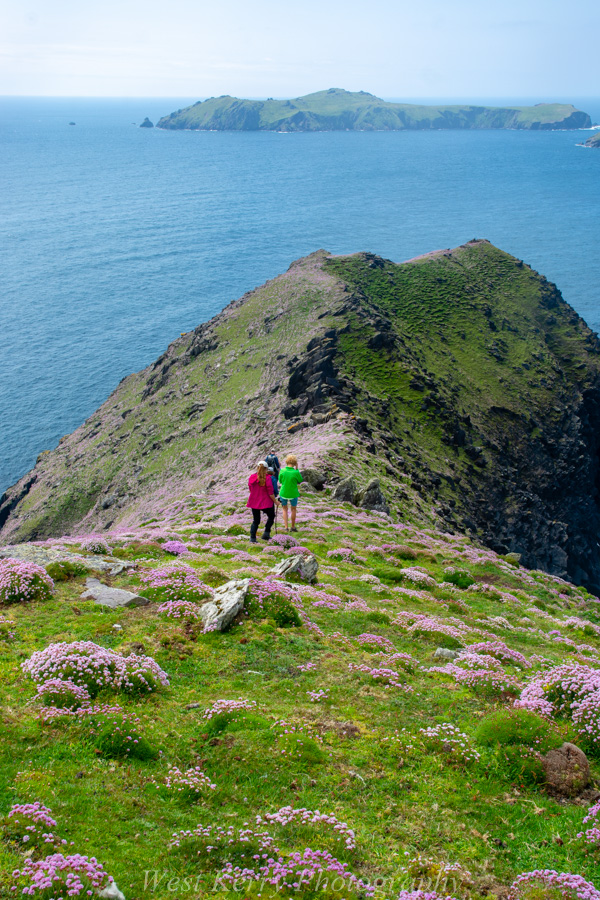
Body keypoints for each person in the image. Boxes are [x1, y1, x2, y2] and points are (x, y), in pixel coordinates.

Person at [247, 461, 280, 543]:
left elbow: (250, 489)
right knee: (271, 516)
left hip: (254, 501)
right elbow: (270, 493)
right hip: (266, 502)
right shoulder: (268, 478)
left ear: (257, 467)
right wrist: (275, 502)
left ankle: (252, 538)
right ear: (266, 468)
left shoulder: (252, 477)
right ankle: (266, 533)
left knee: (256, 521)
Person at [278, 454, 303, 532]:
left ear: (287, 461)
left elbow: (280, 481)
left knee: (284, 509)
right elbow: (300, 480)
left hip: (284, 493)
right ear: (295, 463)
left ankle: (286, 527)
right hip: (293, 493)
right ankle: (293, 527)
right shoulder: (295, 472)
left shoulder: (282, 470)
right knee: (293, 509)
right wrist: (297, 469)